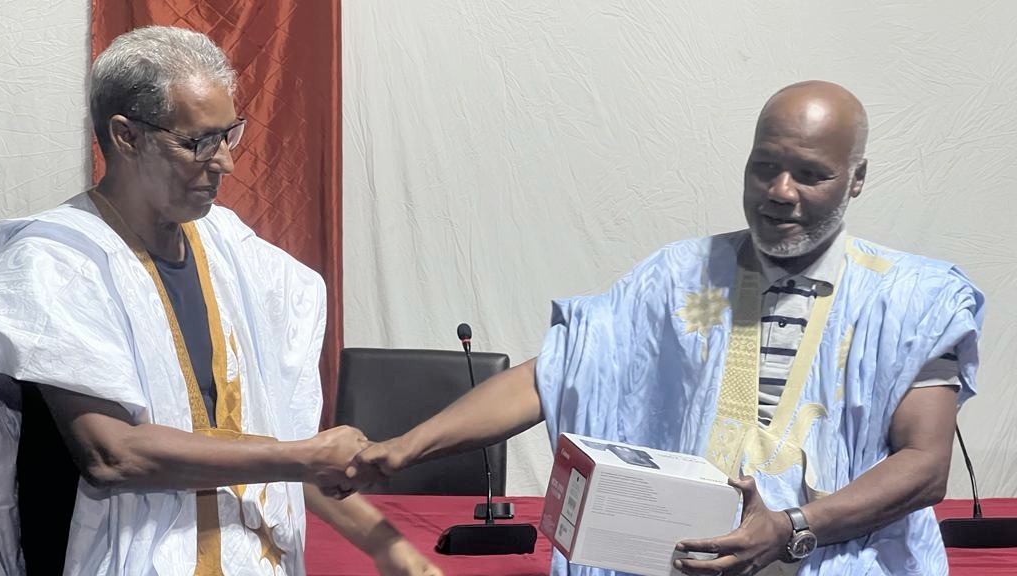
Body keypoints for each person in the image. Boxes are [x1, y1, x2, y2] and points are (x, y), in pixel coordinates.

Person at [353, 81, 984, 575]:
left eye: (811, 174)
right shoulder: (679, 277)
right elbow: (549, 378)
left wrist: (792, 527)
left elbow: (924, 465)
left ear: (857, 178)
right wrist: (405, 447)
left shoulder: (913, 300)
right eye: (764, 167)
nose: (780, 191)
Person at [0, 26, 440, 576]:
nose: (225, 162)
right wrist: (304, 456)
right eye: (199, 142)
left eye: (229, 135)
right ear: (126, 136)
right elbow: (113, 454)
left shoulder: (233, 251)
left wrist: (387, 546)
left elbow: (272, 436)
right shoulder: (56, 262)